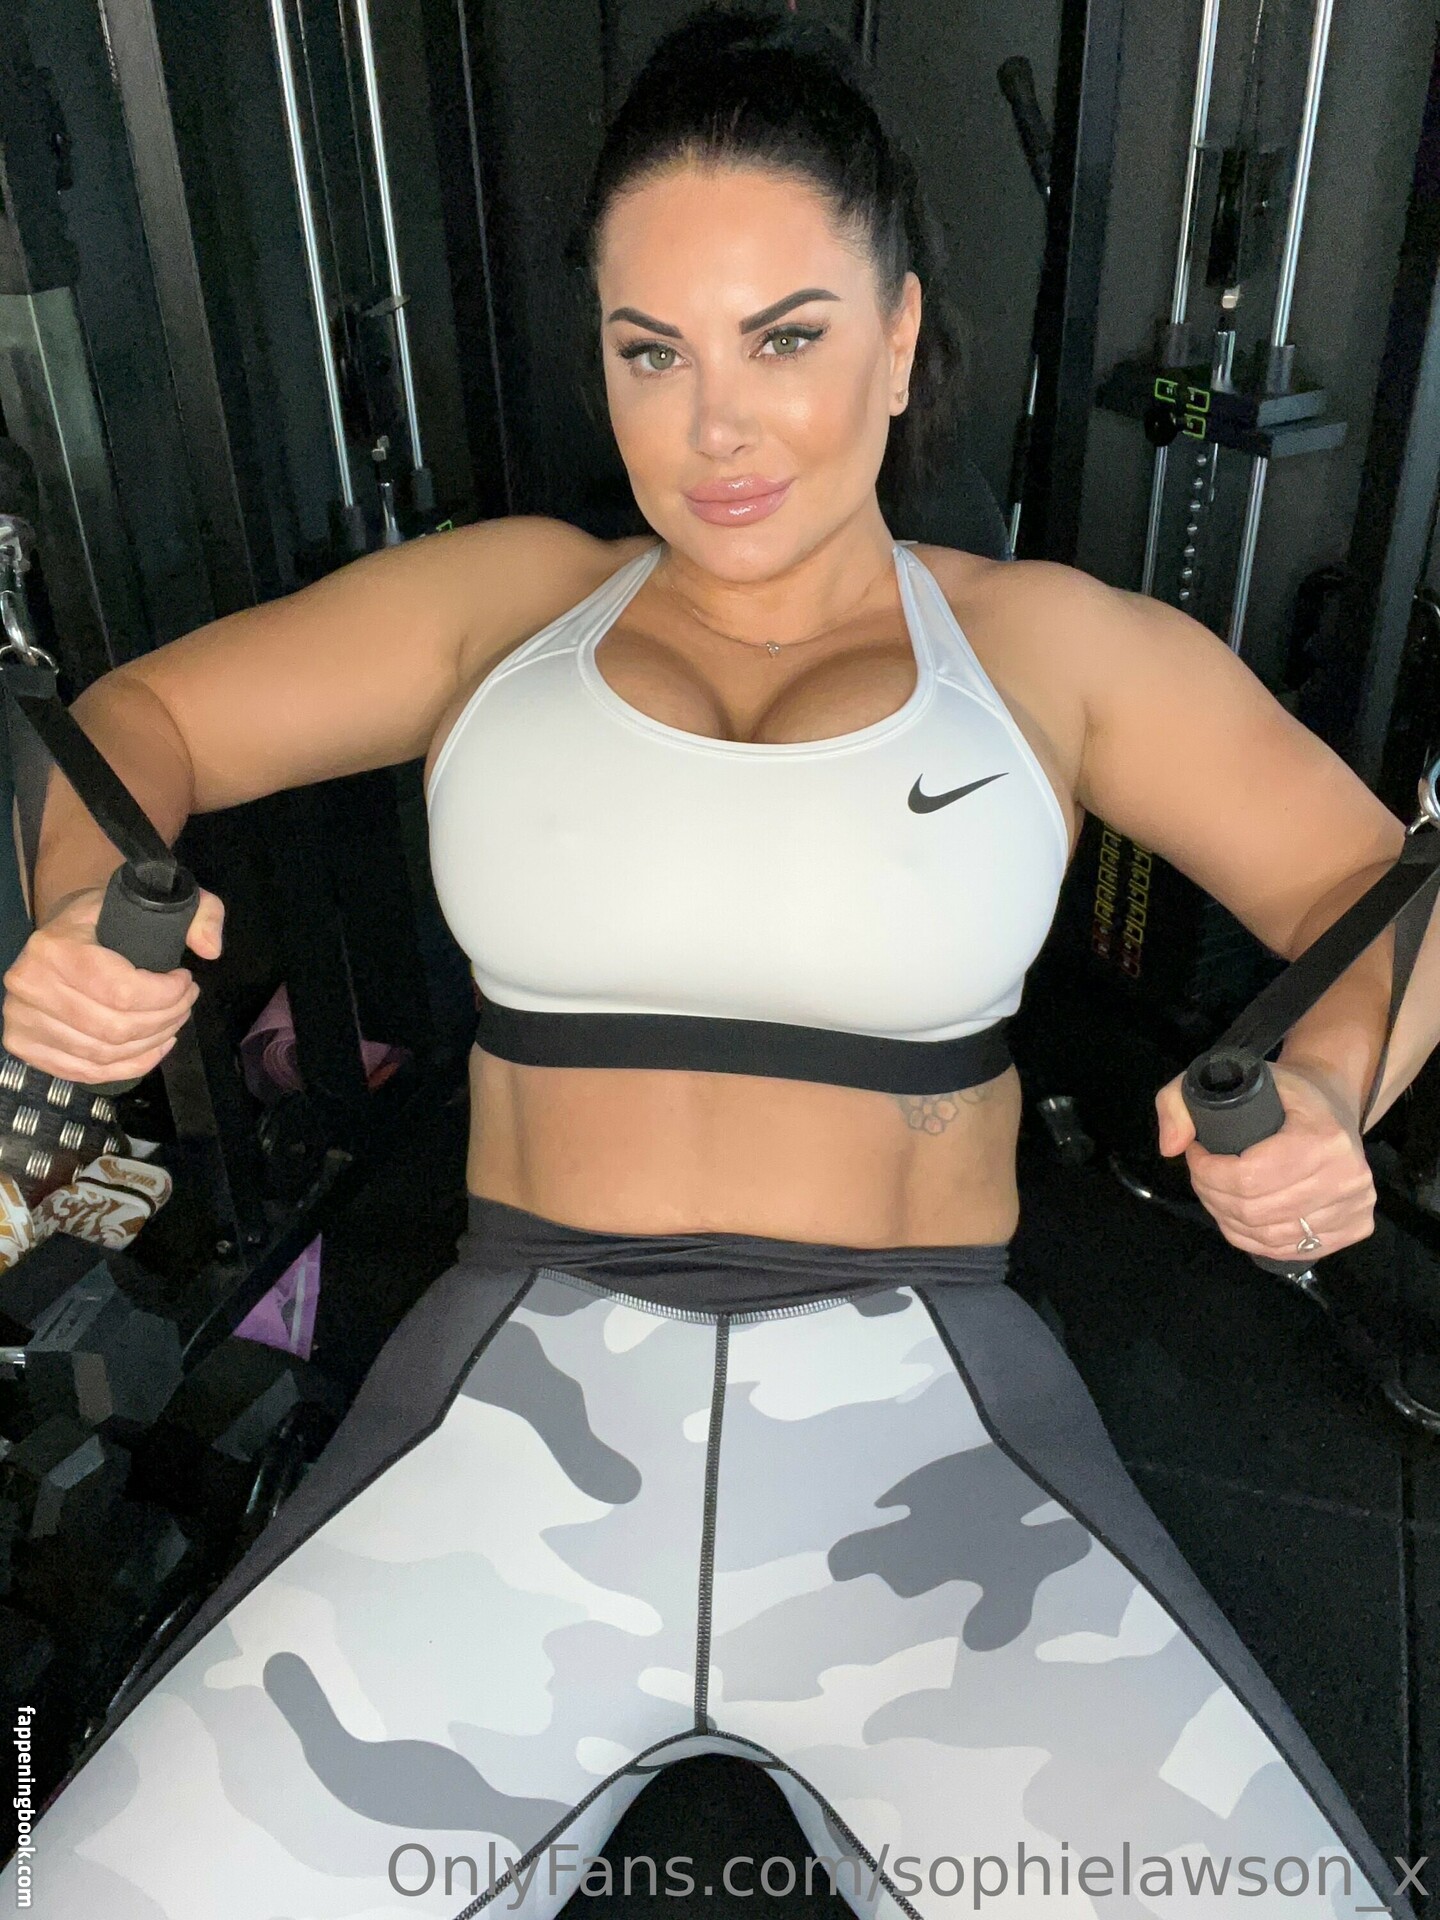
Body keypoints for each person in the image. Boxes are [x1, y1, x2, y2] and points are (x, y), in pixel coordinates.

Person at [1, 10, 1435, 1916]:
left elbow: (1384, 886)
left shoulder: (1052, 652)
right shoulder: (504, 606)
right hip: (514, 1397)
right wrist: (86, 903)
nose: (716, 427)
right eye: (650, 350)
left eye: (787, 338)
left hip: (925, 1417)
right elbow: (137, 723)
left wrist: (1328, 1082)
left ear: (900, 340)